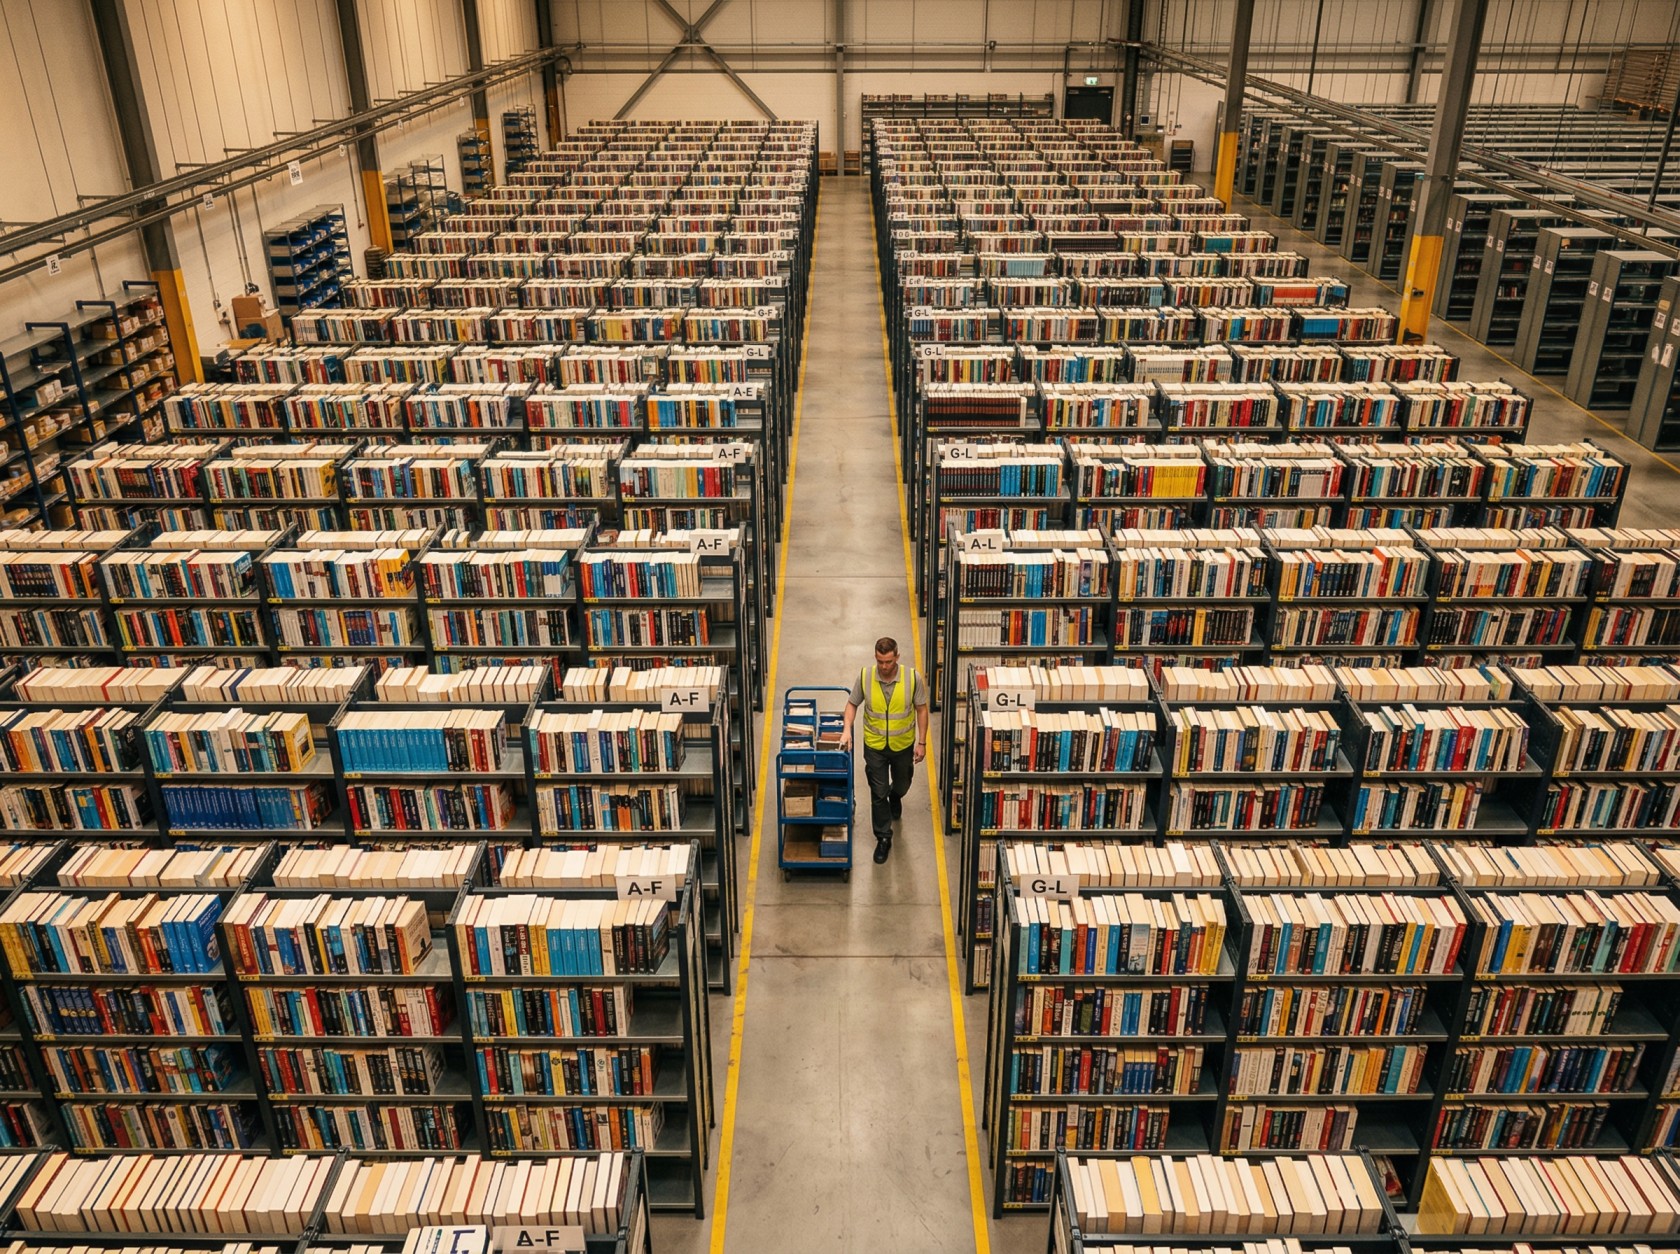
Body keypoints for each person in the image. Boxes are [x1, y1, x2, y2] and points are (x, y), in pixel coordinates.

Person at [838, 636, 929, 864]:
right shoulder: (866, 676)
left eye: (888, 661)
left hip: (902, 746)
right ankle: (883, 837)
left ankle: (896, 795)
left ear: (897, 657)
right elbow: (852, 703)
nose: (884, 667)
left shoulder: (911, 678)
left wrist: (922, 742)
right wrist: (846, 728)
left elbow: (921, 709)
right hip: (875, 746)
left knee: (902, 784)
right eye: (880, 661)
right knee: (878, 794)